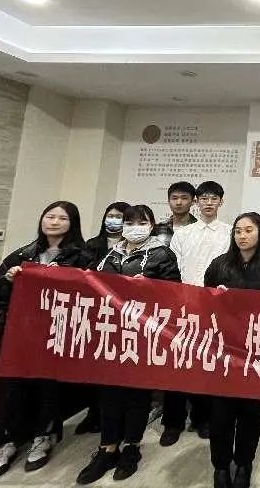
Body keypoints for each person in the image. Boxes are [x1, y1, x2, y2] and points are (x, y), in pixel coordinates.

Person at [0, 201, 91, 479]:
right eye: (50, 216)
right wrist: (8, 280)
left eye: (62, 218)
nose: (54, 222)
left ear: (72, 223)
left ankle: (44, 436)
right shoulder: (23, 253)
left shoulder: (82, 256)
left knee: (48, 386)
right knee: (13, 387)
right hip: (18, 332)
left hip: (55, 331)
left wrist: (64, 279)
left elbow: (90, 294)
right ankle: (9, 440)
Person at [76, 205, 180, 484]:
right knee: (109, 392)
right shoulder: (110, 254)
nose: (135, 227)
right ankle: (107, 448)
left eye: (141, 222)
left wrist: (150, 287)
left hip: (142, 333)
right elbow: (89, 283)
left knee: (137, 393)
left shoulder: (162, 254)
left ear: (151, 225)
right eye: (130, 222)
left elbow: (174, 293)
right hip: (110, 332)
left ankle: (132, 446)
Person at [205, 212, 260, 488]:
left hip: (257, 349)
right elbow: (204, 301)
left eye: (248, 230)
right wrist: (217, 298)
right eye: (238, 231)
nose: (242, 235)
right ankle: (220, 466)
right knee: (221, 413)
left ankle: (243, 463)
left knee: (250, 412)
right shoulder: (220, 264)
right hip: (224, 349)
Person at [161, 181, 231, 446]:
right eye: (204, 198)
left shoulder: (229, 232)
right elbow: (173, 269)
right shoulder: (183, 234)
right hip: (183, 306)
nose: (208, 203)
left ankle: (203, 419)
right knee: (177, 363)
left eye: (214, 198)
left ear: (221, 202)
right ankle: (173, 422)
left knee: (207, 363)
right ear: (196, 202)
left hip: (215, 308)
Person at [77, 201, 131, 436]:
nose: (114, 220)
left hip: (122, 313)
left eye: (120, 217)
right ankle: (93, 412)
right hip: (94, 310)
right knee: (94, 365)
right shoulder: (92, 245)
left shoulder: (133, 246)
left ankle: (117, 415)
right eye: (111, 215)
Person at [151, 181, 197, 248]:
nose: (178, 203)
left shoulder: (201, 229)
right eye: (174, 198)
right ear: (168, 201)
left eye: (184, 198)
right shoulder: (157, 229)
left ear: (193, 202)